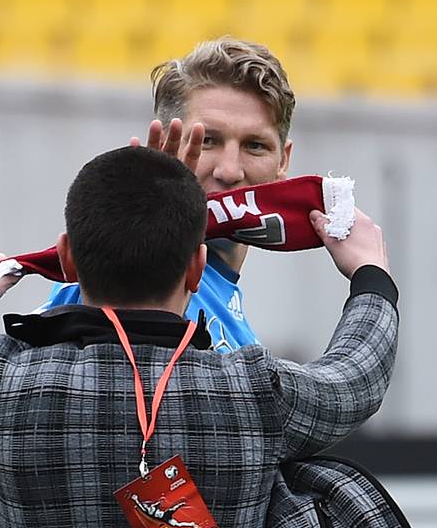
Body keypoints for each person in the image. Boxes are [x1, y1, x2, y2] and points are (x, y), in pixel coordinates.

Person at [0, 147, 430, 528]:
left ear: (66, 257)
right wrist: (371, 277)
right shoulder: (254, 392)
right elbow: (356, 376)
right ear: (195, 266)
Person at [42, 37, 294, 353]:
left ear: (283, 161)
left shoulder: (222, 294)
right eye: (207, 141)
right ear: (164, 146)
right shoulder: (116, 282)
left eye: (255, 146)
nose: (229, 171)